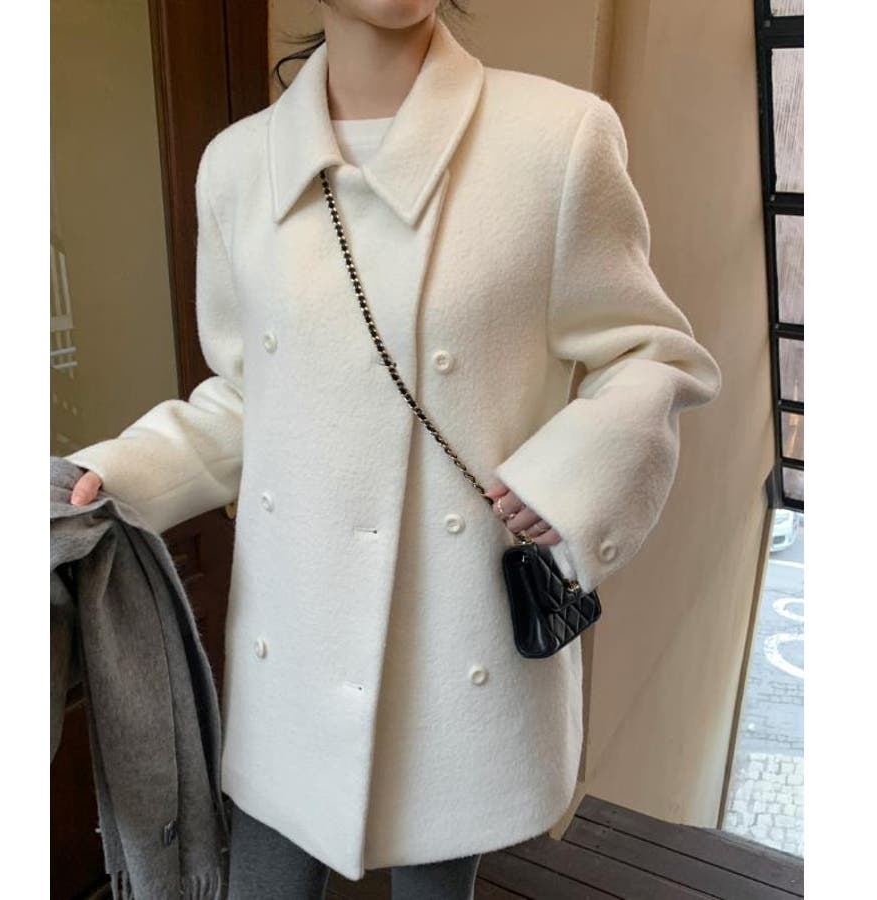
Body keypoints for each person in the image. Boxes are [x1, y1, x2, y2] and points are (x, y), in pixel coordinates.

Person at [67, 2, 722, 898]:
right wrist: (115, 473)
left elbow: (652, 353)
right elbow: (250, 396)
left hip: (454, 633)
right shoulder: (236, 167)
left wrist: (571, 476)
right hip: (292, 636)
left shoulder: (557, 139)